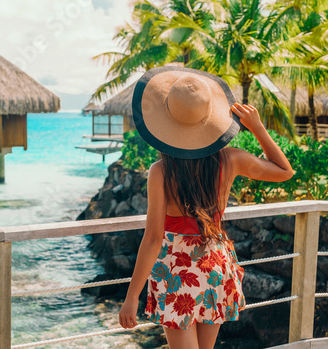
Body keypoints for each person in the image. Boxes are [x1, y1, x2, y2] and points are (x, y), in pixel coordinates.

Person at [117, 66, 294, 349]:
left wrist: (131, 298)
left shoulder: (161, 171)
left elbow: (152, 239)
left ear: (166, 124)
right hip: (214, 262)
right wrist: (258, 128)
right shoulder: (231, 160)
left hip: (176, 270)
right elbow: (284, 171)